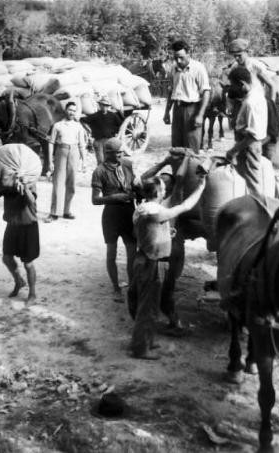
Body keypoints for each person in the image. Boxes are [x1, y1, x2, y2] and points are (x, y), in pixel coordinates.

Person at [129, 173, 206, 360]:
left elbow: (142, 231)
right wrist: (201, 186)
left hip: (145, 258)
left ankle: (147, 340)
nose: (165, 191)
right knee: (147, 308)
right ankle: (140, 349)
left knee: (152, 305)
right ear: (157, 192)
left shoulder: (142, 208)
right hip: (150, 262)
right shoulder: (155, 211)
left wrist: (163, 232)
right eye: (163, 188)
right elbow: (185, 206)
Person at [91, 137, 139, 303]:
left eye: (121, 152)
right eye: (116, 153)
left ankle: (132, 286)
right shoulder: (99, 171)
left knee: (132, 254)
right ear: (107, 153)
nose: (119, 156)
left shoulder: (127, 164)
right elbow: (95, 200)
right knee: (111, 254)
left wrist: (139, 189)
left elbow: (134, 184)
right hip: (111, 217)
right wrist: (114, 197)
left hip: (129, 214)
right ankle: (116, 288)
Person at [0, 178, 39, 305]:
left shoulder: (29, 177)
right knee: (7, 258)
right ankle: (19, 281)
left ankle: (32, 294)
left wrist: (25, 186)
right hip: (12, 224)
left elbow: (31, 200)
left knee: (28, 263)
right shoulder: (6, 181)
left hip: (28, 224)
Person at [225, 66, 267, 200]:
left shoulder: (250, 103)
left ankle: (260, 211)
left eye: (233, 85)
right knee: (248, 181)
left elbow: (252, 136)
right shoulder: (257, 94)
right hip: (249, 145)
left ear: (242, 84)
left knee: (254, 185)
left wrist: (233, 151)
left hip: (249, 147)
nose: (232, 89)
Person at [163, 40, 211, 154]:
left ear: (189, 53)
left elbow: (206, 92)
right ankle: (178, 171)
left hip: (192, 110)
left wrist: (200, 115)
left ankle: (191, 171)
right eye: (175, 58)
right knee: (176, 147)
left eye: (181, 57)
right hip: (177, 110)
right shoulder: (173, 68)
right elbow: (171, 91)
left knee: (191, 148)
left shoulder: (198, 68)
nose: (178, 61)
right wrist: (166, 112)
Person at [45, 102, 86, 222]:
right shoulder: (58, 125)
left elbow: (82, 145)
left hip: (74, 153)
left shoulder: (79, 127)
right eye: (70, 110)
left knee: (71, 184)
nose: (71, 112)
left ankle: (66, 211)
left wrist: (84, 161)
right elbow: (51, 143)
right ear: (65, 110)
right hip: (61, 152)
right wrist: (50, 162)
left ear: (76, 112)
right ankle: (54, 213)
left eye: (74, 110)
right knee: (58, 182)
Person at [80, 96, 125, 166]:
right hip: (98, 142)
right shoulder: (95, 115)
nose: (104, 107)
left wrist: (118, 136)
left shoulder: (113, 115)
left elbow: (122, 124)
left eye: (106, 106)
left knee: (110, 161)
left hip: (109, 141)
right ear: (100, 105)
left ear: (109, 107)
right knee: (100, 161)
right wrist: (88, 130)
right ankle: (101, 175)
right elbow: (82, 120)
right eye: (103, 105)